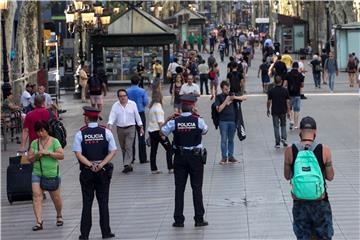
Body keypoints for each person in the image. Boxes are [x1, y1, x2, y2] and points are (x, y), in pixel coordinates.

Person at [161, 95, 209, 228]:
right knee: (197, 188)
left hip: (180, 158)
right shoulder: (198, 120)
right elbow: (205, 130)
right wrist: (197, 116)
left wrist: (169, 119)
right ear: (193, 107)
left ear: (181, 108)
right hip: (195, 158)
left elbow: (162, 133)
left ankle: (178, 220)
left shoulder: (175, 121)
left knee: (179, 189)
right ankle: (199, 219)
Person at [284, 116, 334, 240]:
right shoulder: (325, 150)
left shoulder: (290, 150)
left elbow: (286, 176)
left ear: (300, 131)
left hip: (300, 202)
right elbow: (330, 176)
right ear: (315, 131)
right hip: (320, 203)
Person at [73, 106, 117, 240]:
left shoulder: (81, 133)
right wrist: (101, 164)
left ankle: (85, 234)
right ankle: (106, 232)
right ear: (97, 117)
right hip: (102, 171)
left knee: (87, 203)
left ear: (86, 118)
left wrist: (90, 164)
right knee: (103, 202)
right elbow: (113, 151)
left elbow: (78, 153)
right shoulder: (106, 132)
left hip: (87, 171)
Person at [27, 120, 64, 231]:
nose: (40, 133)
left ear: (46, 130)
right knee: (37, 196)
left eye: (42, 131)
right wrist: (37, 154)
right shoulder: (34, 143)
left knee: (56, 198)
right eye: (38, 131)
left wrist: (48, 153)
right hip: (37, 173)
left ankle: (59, 215)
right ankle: (39, 222)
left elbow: (61, 155)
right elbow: (29, 158)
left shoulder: (54, 141)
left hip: (52, 174)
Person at [107, 89, 144, 174]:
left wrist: (141, 126)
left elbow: (137, 116)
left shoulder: (132, 104)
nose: (123, 98)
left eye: (124, 96)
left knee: (128, 146)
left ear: (127, 96)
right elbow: (112, 116)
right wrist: (110, 124)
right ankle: (128, 165)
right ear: (118, 97)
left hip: (131, 128)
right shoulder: (115, 105)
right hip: (120, 129)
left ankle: (126, 164)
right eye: (121, 96)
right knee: (123, 147)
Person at [215, 81, 247, 164]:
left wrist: (234, 98)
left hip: (232, 121)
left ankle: (231, 156)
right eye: (225, 89)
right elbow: (219, 110)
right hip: (223, 122)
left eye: (228, 88)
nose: (227, 90)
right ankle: (224, 157)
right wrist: (226, 101)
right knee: (223, 140)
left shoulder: (232, 95)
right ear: (222, 89)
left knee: (231, 140)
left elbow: (244, 97)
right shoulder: (218, 97)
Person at [147, 92, 173, 174]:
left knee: (153, 150)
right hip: (158, 131)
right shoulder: (158, 108)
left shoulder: (151, 107)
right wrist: (168, 119)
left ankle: (153, 169)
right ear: (161, 98)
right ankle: (170, 167)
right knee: (169, 149)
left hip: (151, 131)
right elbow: (160, 123)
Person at [127, 75, 149, 164]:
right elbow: (146, 102)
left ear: (131, 82)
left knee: (131, 137)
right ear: (139, 82)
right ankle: (142, 158)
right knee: (141, 135)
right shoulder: (142, 91)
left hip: (130, 114)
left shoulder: (127, 91)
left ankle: (131, 158)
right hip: (140, 114)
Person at [267, 76, 291, 148]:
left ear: (274, 82)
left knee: (276, 126)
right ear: (281, 81)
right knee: (283, 125)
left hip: (275, 111)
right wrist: (288, 111)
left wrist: (268, 109)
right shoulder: (285, 90)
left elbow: (269, 101)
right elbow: (288, 102)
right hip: (283, 110)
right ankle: (284, 139)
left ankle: (277, 143)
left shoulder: (272, 91)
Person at [283, 62, 304, 130]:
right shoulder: (300, 75)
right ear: (298, 67)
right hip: (297, 95)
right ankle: (296, 125)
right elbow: (302, 85)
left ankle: (291, 120)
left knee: (289, 108)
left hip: (289, 94)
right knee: (296, 110)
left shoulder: (288, 74)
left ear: (292, 66)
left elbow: (285, 85)